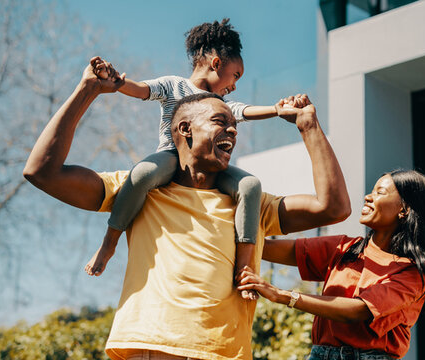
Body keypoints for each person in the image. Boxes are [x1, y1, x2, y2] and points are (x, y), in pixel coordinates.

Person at [22, 57, 350, 360]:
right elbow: (41, 172)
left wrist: (309, 127)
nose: (233, 130)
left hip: (228, 353)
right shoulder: (139, 190)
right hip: (153, 347)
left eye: (234, 124)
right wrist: (87, 90)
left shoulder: (249, 203)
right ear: (185, 130)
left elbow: (332, 208)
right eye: (220, 121)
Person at [85, 20, 288, 301]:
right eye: (235, 75)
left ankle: (244, 266)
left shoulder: (219, 103)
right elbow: (142, 89)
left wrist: (277, 109)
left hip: (210, 167)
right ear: (216, 63)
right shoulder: (174, 86)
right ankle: (109, 243)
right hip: (173, 158)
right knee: (142, 173)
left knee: (250, 186)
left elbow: (243, 110)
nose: (234, 85)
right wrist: (117, 82)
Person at [236, 170, 425, 360]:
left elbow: (358, 310)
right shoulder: (345, 248)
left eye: (379, 193)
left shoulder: (411, 273)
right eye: (371, 191)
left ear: (404, 210)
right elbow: (266, 248)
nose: (368, 197)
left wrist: (282, 295)